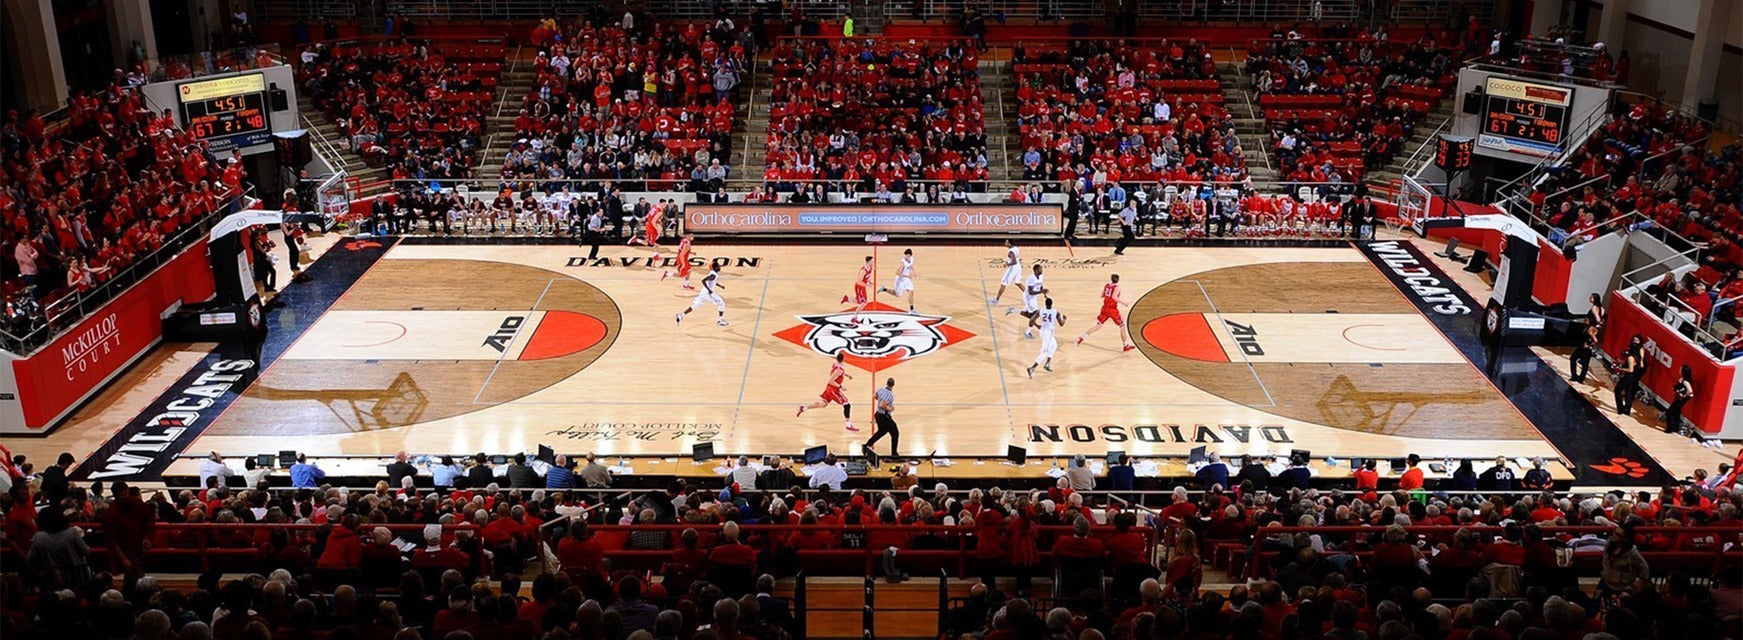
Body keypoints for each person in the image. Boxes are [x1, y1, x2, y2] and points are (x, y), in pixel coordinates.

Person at [798, 352, 856, 432]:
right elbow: (831, 380)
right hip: (833, 389)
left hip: (829, 389)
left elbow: (839, 373)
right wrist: (841, 387)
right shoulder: (839, 370)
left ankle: (803, 408)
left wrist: (847, 375)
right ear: (843, 359)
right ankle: (848, 425)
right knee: (847, 405)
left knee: (823, 404)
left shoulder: (836, 365)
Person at [1079, 274, 1136, 352]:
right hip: (1112, 310)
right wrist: (1124, 303)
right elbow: (1114, 297)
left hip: (1105, 308)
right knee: (1122, 325)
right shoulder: (1117, 287)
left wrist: (1107, 296)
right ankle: (1125, 345)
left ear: (1111, 279)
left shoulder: (1107, 285)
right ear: (1118, 280)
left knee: (1098, 325)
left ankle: (1083, 336)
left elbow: (1101, 295)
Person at [1026, 297, 1064, 377]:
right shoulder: (1056, 312)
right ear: (1052, 304)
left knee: (1054, 345)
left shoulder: (1041, 311)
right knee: (1044, 351)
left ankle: (1047, 363)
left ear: (1045, 304)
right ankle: (1032, 368)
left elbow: (1031, 320)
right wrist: (1064, 319)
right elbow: (1061, 324)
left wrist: (1037, 326)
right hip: (1048, 333)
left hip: (1042, 331)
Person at [1570, 293, 1603, 383]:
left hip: (1587, 338)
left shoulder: (1594, 309)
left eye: (1591, 297)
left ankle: (1575, 377)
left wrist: (1594, 326)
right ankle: (1580, 378)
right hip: (1590, 337)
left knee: (1575, 358)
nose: (1589, 298)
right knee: (1585, 362)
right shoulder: (1601, 308)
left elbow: (1598, 319)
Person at [866, 377, 900, 457]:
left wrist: (880, 400)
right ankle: (894, 454)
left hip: (878, 415)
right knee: (895, 433)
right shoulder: (889, 394)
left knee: (882, 431)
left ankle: (867, 445)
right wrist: (890, 408)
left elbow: (874, 395)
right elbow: (882, 405)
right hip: (884, 417)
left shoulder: (882, 389)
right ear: (893, 385)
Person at [877, 249, 917, 313]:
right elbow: (897, 272)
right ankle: (884, 289)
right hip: (900, 280)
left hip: (907, 280)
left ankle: (912, 309)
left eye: (908, 256)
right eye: (906, 256)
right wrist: (907, 276)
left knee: (911, 293)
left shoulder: (911, 259)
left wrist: (914, 272)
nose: (907, 257)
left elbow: (911, 265)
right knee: (897, 294)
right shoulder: (902, 263)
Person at [1614, 334, 1645, 415]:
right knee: (1629, 392)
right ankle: (1627, 410)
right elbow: (1641, 365)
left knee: (1617, 390)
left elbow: (1630, 370)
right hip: (1635, 375)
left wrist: (1620, 368)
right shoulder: (1639, 355)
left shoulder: (1631, 358)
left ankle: (1620, 409)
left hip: (1630, 376)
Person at [1017, 264, 1049, 339]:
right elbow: (1030, 292)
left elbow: (1041, 285)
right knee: (1034, 315)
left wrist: (1044, 293)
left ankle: (1014, 310)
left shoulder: (1041, 276)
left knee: (1032, 315)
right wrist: (1041, 291)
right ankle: (1027, 332)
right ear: (1036, 270)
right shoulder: (1031, 279)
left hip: (1034, 298)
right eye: (1040, 269)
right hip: (1028, 298)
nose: (1042, 270)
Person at [989, 240, 1022, 306]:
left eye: (1006, 242)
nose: (1005, 243)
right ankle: (1029, 296)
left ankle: (996, 300)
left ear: (1009, 244)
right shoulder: (1016, 248)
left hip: (1013, 268)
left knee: (1003, 283)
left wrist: (1008, 263)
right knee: (1018, 283)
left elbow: (1014, 261)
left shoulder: (1011, 252)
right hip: (1018, 267)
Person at [1665, 365, 1694, 434]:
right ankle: (1675, 427)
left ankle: (1670, 428)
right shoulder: (1682, 379)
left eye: (1681, 369)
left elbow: (1690, 391)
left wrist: (1684, 395)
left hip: (1681, 399)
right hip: (1679, 398)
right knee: (1676, 412)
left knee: (1669, 412)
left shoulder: (1685, 381)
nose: (1679, 370)